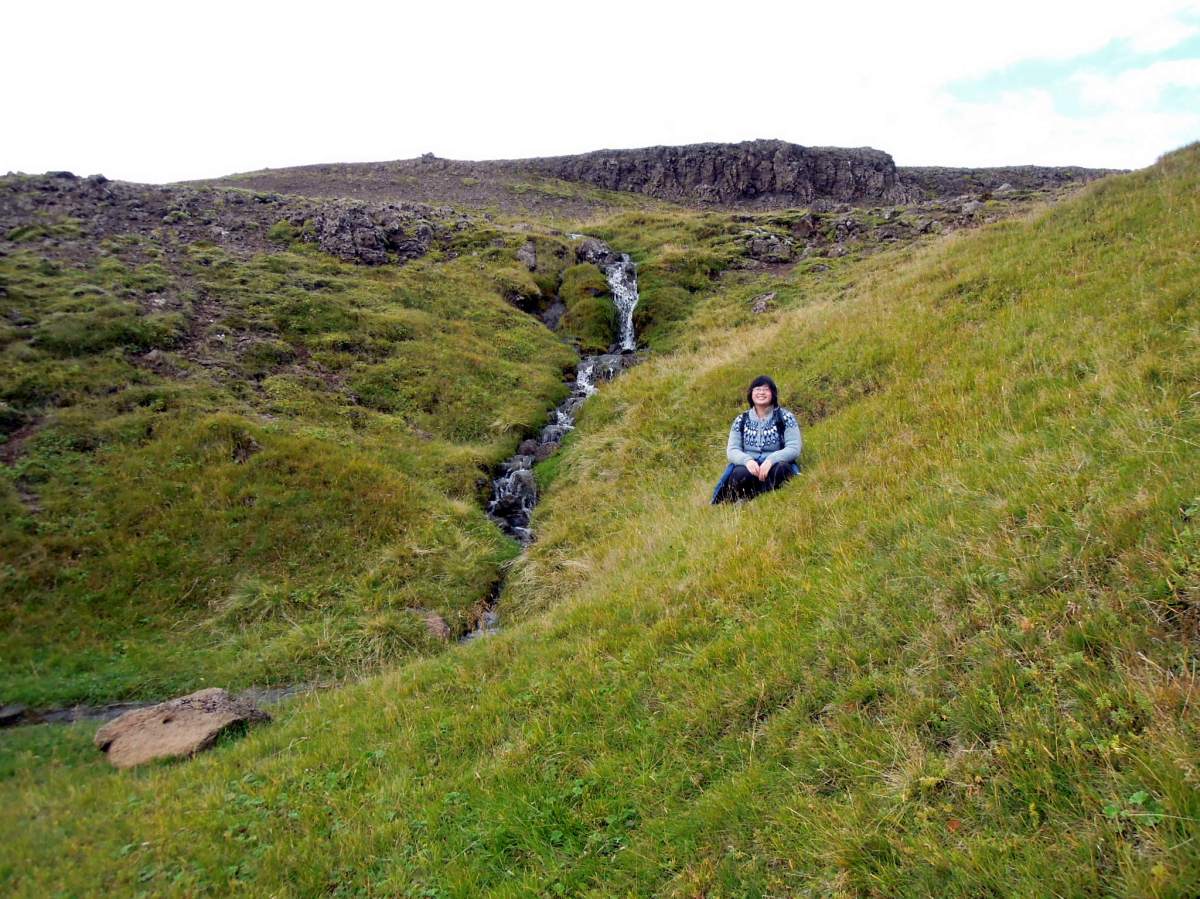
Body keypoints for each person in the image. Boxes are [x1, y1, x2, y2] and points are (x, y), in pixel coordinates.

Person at [711, 375, 802, 503]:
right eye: (757, 389)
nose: (761, 393)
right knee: (740, 474)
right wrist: (747, 461)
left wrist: (771, 460)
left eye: (765, 389)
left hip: (775, 465)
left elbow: (794, 448)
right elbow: (732, 450)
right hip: (750, 468)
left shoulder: (786, 417)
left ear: (773, 393)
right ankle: (745, 498)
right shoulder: (741, 420)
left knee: (782, 469)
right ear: (751, 394)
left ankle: (761, 497)